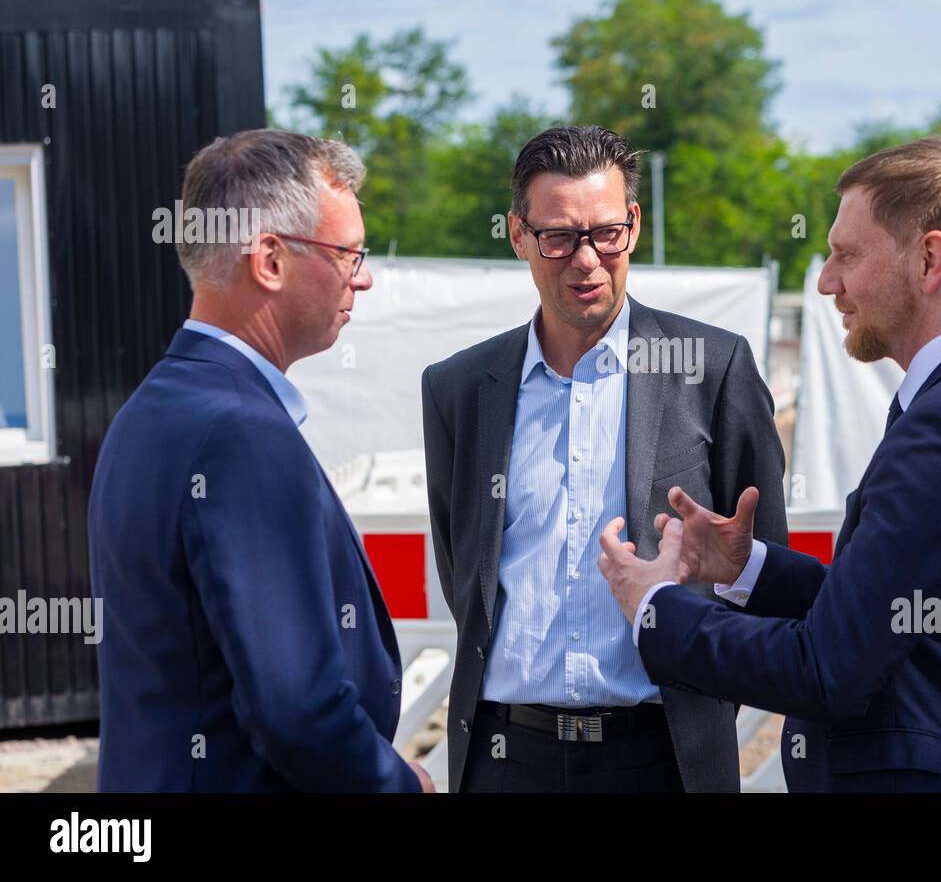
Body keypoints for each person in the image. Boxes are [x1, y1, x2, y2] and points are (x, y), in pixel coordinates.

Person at [598, 135, 941, 792]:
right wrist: (749, 567)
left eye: (847, 254)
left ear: (930, 260)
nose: (828, 281)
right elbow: (899, 615)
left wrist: (654, 606)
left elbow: (827, 669)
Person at [421, 125, 787, 792]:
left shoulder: (713, 368)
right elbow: (462, 565)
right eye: (558, 237)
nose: (586, 260)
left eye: (606, 233)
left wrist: (701, 703)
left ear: (635, 225)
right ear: (516, 235)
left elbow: (762, 568)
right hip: (506, 760)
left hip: (663, 757)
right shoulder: (458, 389)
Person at [89, 129, 430, 792]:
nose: (363, 277)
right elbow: (296, 708)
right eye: (348, 253)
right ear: (269, 260)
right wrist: (398, 784)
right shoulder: (239, 432)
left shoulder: (150, 411)